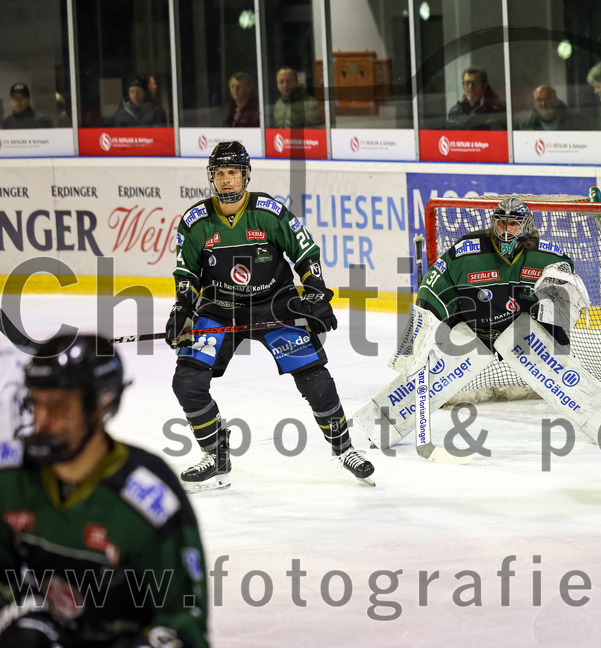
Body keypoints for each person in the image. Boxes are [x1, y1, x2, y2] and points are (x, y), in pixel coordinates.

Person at [165, 141, 373, 491]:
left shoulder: (269, 212)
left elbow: (305, 252)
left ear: (246, 175)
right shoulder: (195, 221)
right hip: (220, 308)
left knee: (314, 377)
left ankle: (345, 449)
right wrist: (182, 309)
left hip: (275, 305)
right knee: (187, 381)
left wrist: (317, 294)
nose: (226, 180)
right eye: (219, 173)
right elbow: (186, 275)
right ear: (211, 178)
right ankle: (216, 454)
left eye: (232, 172)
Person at [356, 197, 601, 449]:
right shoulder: (465, 253)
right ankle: (380, 427)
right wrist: (420, 339)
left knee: (565, 376)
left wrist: (557, 332)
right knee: (430, 372)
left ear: (525, 226)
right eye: (501, 222)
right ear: (492, 223)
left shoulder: (550, 258)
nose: (506, 230)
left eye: (513, 223)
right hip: (473, 331)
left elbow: (568, 299)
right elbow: (431, 291)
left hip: (520, 332)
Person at [0, 334, 209, 647]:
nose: (43, 420)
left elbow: (184, 625)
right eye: (37, 403)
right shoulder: (12, 481)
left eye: (59, 406)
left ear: (101, 403)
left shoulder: (150, 501)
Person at [445, 65, 506, 130]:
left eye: (475, 83)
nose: (470, 87)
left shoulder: (495, 110)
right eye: (467, 83)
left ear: (484, 85)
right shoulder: (455, 112)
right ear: (463, 85)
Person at [518, 84, 585, 131]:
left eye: (547, 99)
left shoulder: (576, 121)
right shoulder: (527, 126)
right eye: (539, 100)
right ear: (534, 103)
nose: (543, 104)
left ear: (555, 100)